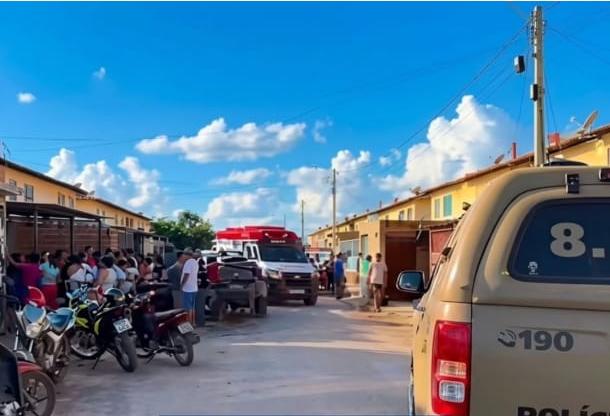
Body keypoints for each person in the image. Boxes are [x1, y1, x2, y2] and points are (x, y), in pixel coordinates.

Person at [179, 249, 199, 325]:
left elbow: (186, 274)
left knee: (188, 308)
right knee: (192, 307)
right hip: (194, 287)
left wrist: (182, 285)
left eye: (184, 255)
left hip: (187, 288)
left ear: (187, 255)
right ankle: (193, 322)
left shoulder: (188, 263)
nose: (183, 256)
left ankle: (189, 323)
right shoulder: (195, 262)